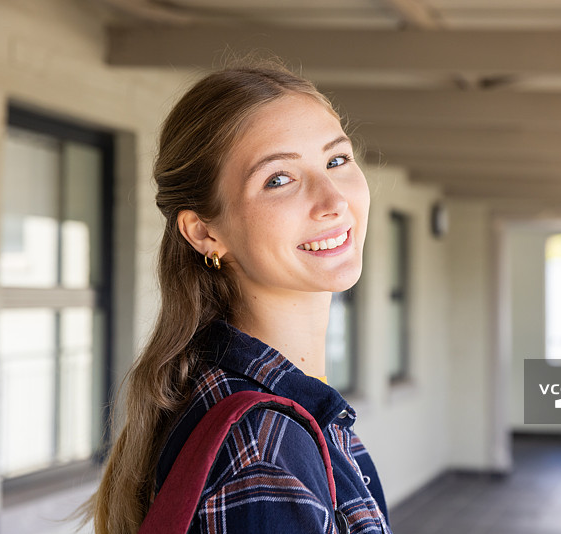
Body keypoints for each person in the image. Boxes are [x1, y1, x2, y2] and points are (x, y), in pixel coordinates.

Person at [89, 62, 393, 534]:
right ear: (204, 231)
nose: (333, 200)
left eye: (337, 160)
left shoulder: (266, 409)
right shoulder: (264, 451)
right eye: (279, 179)